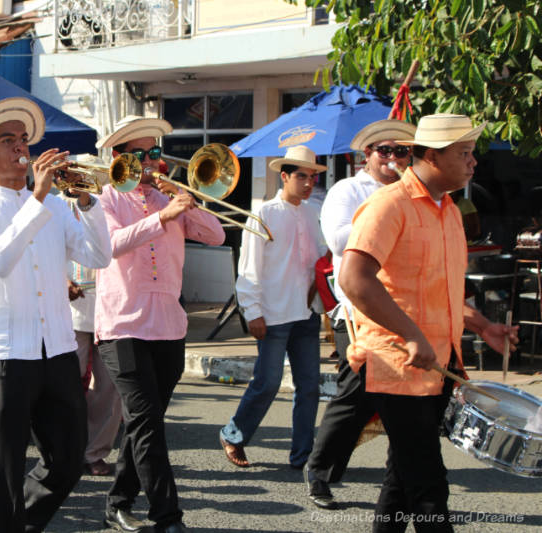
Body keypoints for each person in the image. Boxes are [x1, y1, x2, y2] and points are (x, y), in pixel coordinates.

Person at [339, 114, 518, 532]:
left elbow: (440, 293)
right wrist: (411, 334)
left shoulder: (450, 211)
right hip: (398, 363)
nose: (474, 163)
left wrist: (482, 326)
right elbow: (353, 278)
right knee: (428, 486)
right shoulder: (389, 204)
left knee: (402, 479)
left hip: (440, 362)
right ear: (432, 156)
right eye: (465, 153)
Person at [0, 97, 111, 533]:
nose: (21, 149)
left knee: (68, 460)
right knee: (2, 470)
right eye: (8, 141)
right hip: (6, 352)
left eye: (24, 139)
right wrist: (38, 198)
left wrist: (86, 202)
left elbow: (99, 255)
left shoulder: (57, 206)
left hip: (57, 348)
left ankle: (14, 525)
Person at [94, 115, 225, 533]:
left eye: (155, 153)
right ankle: (168, 517)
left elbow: (217, 236)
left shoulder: (170, 197)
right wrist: (164, 216)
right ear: (120, 158)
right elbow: (109, 246)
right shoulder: (106, 198)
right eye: (140, 155)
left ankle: (117, 503)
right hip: (123, 323)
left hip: (169, 323)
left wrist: (188, 200)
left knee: (142, 423)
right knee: (147, 423)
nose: (151, 162)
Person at [305, 119, 417, 509]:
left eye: (401, 151)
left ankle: (401, 479)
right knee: (355, 398)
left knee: (402, 402)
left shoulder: (414, 191)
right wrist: (385, 221)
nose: (392, 158)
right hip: (358, 311)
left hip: (405, 312)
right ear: (365, 155)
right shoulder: (348, 189)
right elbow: (336, 238)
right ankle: (318, 469)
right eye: (383, 151)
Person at [219, 145, 326, 471]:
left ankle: (302, 456)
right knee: (267, 382)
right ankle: (233, 433)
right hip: (274, 313)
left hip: (306, 313)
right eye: (301, 176)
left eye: (311, 177)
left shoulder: (313, 212)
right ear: (284, 176)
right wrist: (253, 311)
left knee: (309, 387)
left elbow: (320, 259)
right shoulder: (264, 213)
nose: (308, 183)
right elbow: (249, 267)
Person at [63, 194, 123, 477]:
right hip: (70, 312)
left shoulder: (107, 207)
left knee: (110, 387)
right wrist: (63, 281)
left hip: (110, 308)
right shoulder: (57, 208)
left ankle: (95, 452)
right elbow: (44, 252)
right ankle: (67, 450)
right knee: (67, 385)